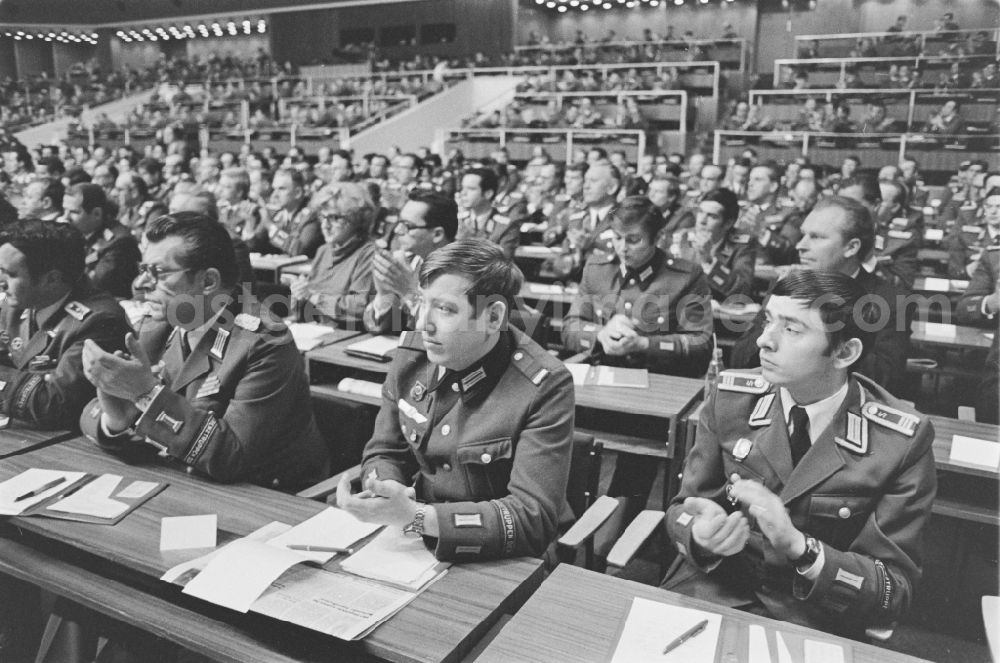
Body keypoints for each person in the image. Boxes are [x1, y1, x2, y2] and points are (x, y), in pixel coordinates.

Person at [663, 270, 936, 638]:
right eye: (768, 320)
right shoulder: (730, 401)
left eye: (791, 329)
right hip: (711, 595)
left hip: (812, 621)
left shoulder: (900, 441)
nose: (763, 340)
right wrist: (700, 532)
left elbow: (894, 590)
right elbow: (681, 508)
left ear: (844, 352)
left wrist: (800, 547)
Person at [336, 239, 574, 562]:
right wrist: (389, 491)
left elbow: (531, 519)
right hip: (412, 545)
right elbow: (384, 451)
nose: (423, 324)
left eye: (445, 309)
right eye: (422, 302)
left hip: (503, 560)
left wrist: (417, 517)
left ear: (493, 318)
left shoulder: (543, 385)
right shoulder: (412, 358)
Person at [79, 212, 329, 490]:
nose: (141, 284)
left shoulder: (264, 341)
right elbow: (90, 414)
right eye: (143, 270)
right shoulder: (158, 323)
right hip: (180, 477)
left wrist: (145, 395)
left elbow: (231, 457)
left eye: (158, 273)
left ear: (208, 281)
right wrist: (116, 419)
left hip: (263, 496)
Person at [730, 196, 910, 394]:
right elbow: (741, 358)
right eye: (803, 235)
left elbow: (885, 378)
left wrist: (816, 341)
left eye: (816, 237)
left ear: (851, 247)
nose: (800, 245)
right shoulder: (789, 288)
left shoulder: (892, 301)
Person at [0, 219, 131, 431]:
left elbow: (54, 404)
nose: (1, 281)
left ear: (52, 279)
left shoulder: (99, 321)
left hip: (65, 445)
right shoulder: (15, 303)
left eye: (11, 274)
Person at [562, 195, 713, 376]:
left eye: (633, 240)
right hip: (604, 373)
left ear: (657, 237)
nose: (622, 248)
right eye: (617, 238)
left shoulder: (686, 277)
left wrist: (644, 344)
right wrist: (600, 334)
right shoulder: (597, 269)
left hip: (660, 379)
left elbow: (701, 345)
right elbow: (569, 328)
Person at [363, 189, 457, 334]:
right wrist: (384, 295)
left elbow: (447, 331)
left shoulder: (463, 273)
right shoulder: (411, 261)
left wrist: (409, 292)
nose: (397, 230)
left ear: (437, 234)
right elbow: (377, 328)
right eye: (399, 223)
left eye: (407, 225)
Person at [290, 182, 377, 328]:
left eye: (335, 218)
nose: (325, 225)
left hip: (348, 335)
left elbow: (358, 308)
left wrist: (314, 297)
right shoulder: (324, 251)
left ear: (356, 220)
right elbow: (307, 306)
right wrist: (298, 296)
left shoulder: (369, 254)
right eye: (322, 217)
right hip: (315, 331)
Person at [61, 183, 140, 299]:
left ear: (97, 214)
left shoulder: (120, 242)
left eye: (74, 212)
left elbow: (92, 285)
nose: (65, 217)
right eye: (64, 210)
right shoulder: (78, 232)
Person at [455, 167, 520, 259]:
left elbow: (503, 263)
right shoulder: (457, 220)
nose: (463, 193)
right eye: (462, 188)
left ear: (488, 193)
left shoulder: (505, 226)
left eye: (471, 189)